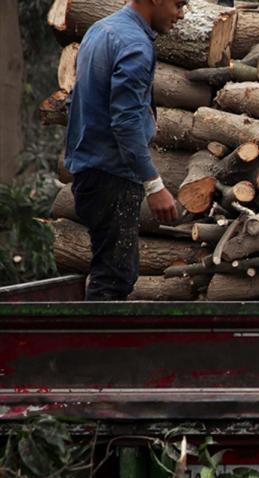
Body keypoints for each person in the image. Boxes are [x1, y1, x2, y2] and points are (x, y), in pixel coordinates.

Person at [65, 0, 186, 300]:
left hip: (90, 172)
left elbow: (75, 101)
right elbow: (126, 124)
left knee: (112, 270)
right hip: (112, 179)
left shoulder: (101, 30)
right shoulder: (135, 46)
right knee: (114, 277)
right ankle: (97, 345)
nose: (181, 14)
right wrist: (154, 184)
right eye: (178, 4)